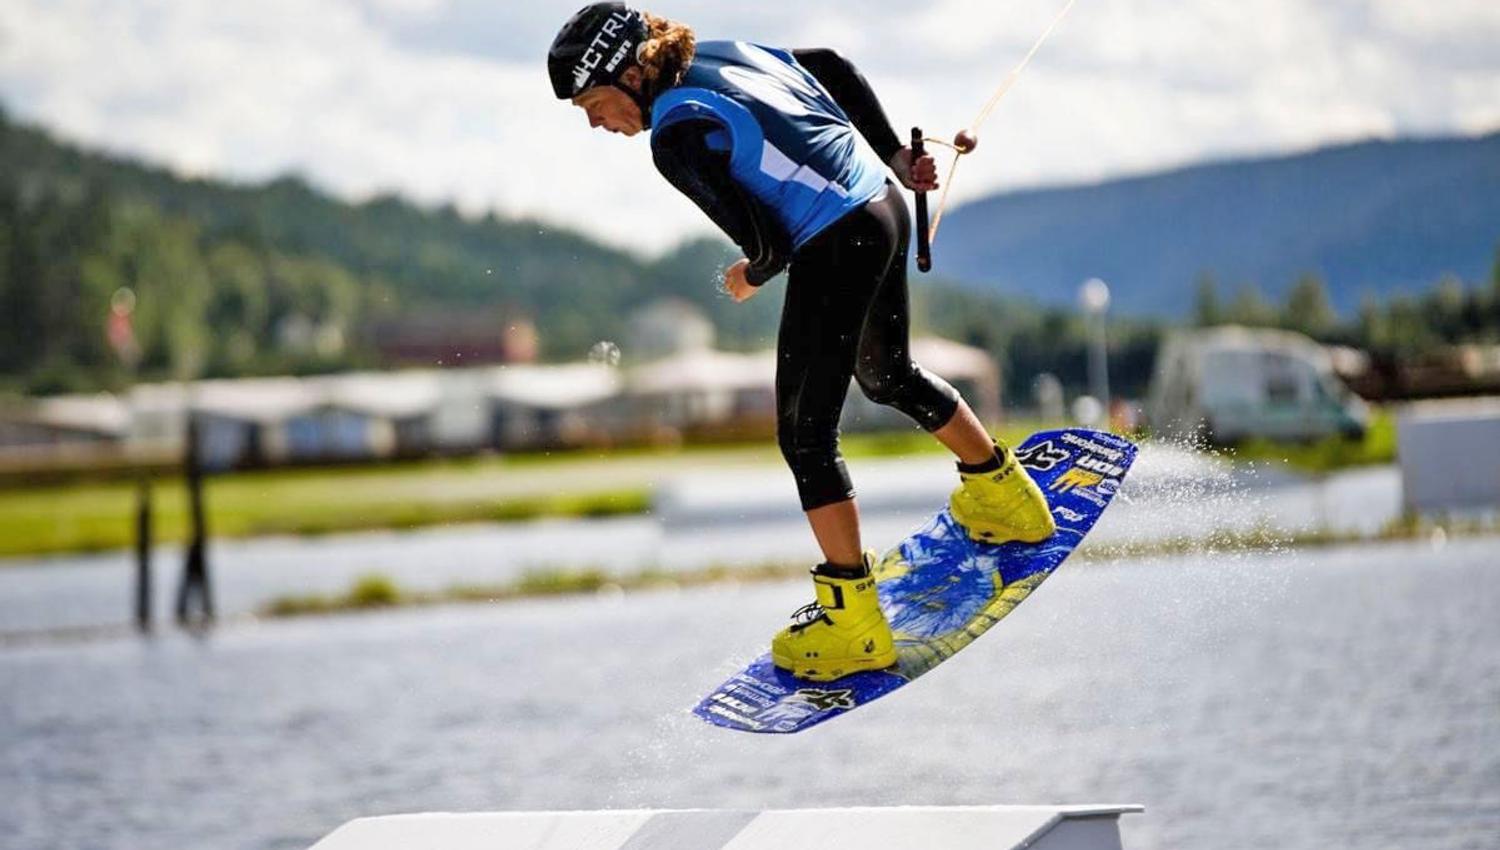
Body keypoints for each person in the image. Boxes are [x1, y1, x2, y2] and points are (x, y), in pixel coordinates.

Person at [547, 3, 1055, 681]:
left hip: (834, 242)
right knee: (889, 374)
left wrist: (747, 274)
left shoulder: (674, 135)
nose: (594, 124)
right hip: (882, 206)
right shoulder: (728, 52)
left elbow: (771, 242)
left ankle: (853, 622)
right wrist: (898, 156)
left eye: (592, 103)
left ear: (631, 74)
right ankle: (1007, 499)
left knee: (805, 435)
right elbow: (830, 66)